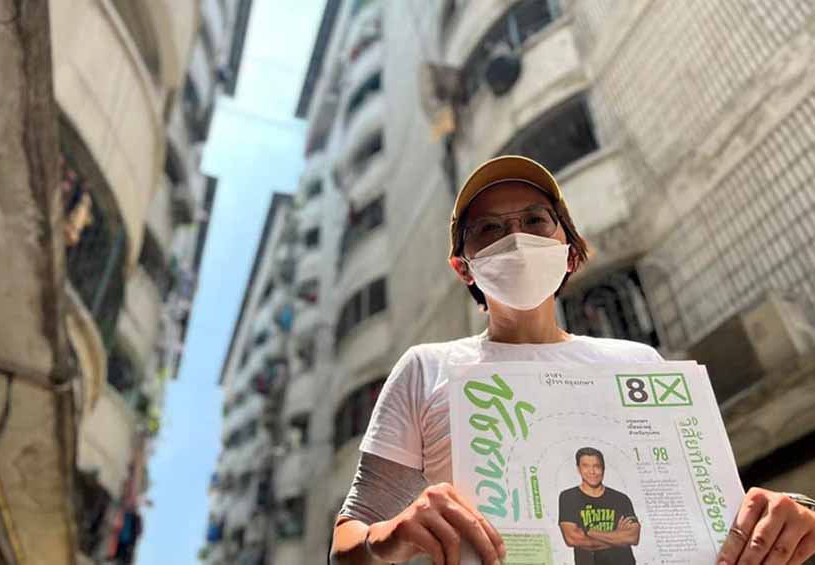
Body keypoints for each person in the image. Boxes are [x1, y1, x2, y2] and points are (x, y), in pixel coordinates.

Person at [330, 156, 815, 565]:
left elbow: (706, 517)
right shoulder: (427, 369)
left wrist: (789, 514)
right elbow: (348, 542)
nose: (515, 239)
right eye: (489, 229)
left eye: (535, 221)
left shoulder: (639, 363)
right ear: (464, 268)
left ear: (570, 252)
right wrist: (389, 535)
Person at [558, 447, 639, 565]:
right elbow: (573, 539)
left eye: (597, 466)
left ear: (603, 468)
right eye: (586, 466)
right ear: (578, 469)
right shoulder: (568, 497)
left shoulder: (621, 499)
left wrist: (591, 532)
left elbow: (633, 537)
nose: (592, 471)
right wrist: (618, 537)